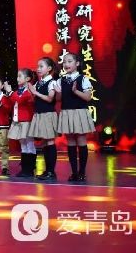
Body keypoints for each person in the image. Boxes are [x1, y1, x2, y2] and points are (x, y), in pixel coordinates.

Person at [56, 53, 95, 182]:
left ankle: (82, 172)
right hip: (66, 112)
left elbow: (88, 97)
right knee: (71, 142)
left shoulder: (83, 79)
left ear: (77, 63)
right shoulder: (61, 80)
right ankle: (74, 172)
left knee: (81, 141)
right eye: (64, 62)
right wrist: (58, 92)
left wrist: (75, 91)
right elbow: (58, 99)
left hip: (79, 112)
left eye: (69, 61)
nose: (66, 64)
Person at [27, 57, 59, 181]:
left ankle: (51, 171)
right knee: (45, 143)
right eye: (38, 66)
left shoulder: (52, 82)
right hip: (40, 114)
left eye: (41, 66)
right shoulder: (39, 83)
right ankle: (47, 170)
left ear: (49, 68)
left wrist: (35, 93)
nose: (38, 69)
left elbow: (50, 98)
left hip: (48, 114)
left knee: (50, 142)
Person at [5, 68, 36, 178]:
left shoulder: (29, 91)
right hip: (18, 120)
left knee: (29, 144)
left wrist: (10, 92)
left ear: (27, 79)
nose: (17, 79)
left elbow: (19, 100)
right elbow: (13, 101)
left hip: (26, 121)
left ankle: (30, 169)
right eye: (17, 76)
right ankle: (24, 169)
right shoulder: (18, 91)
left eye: (20, 76)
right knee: (23, 145)